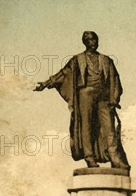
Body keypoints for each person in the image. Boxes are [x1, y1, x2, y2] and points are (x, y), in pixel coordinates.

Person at [34, 31, 130, 170]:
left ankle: (114, 157)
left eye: (95, 39)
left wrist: (114, 98)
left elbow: (115, 79)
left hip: (104, 97)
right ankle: (89, 157)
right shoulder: (77, 59)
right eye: (89, 40)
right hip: (85, 94)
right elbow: (63, 73)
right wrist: (46, 84)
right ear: (85, 42)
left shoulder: (106, 60)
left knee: (109, 127)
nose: (93, 42)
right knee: (86, 126)